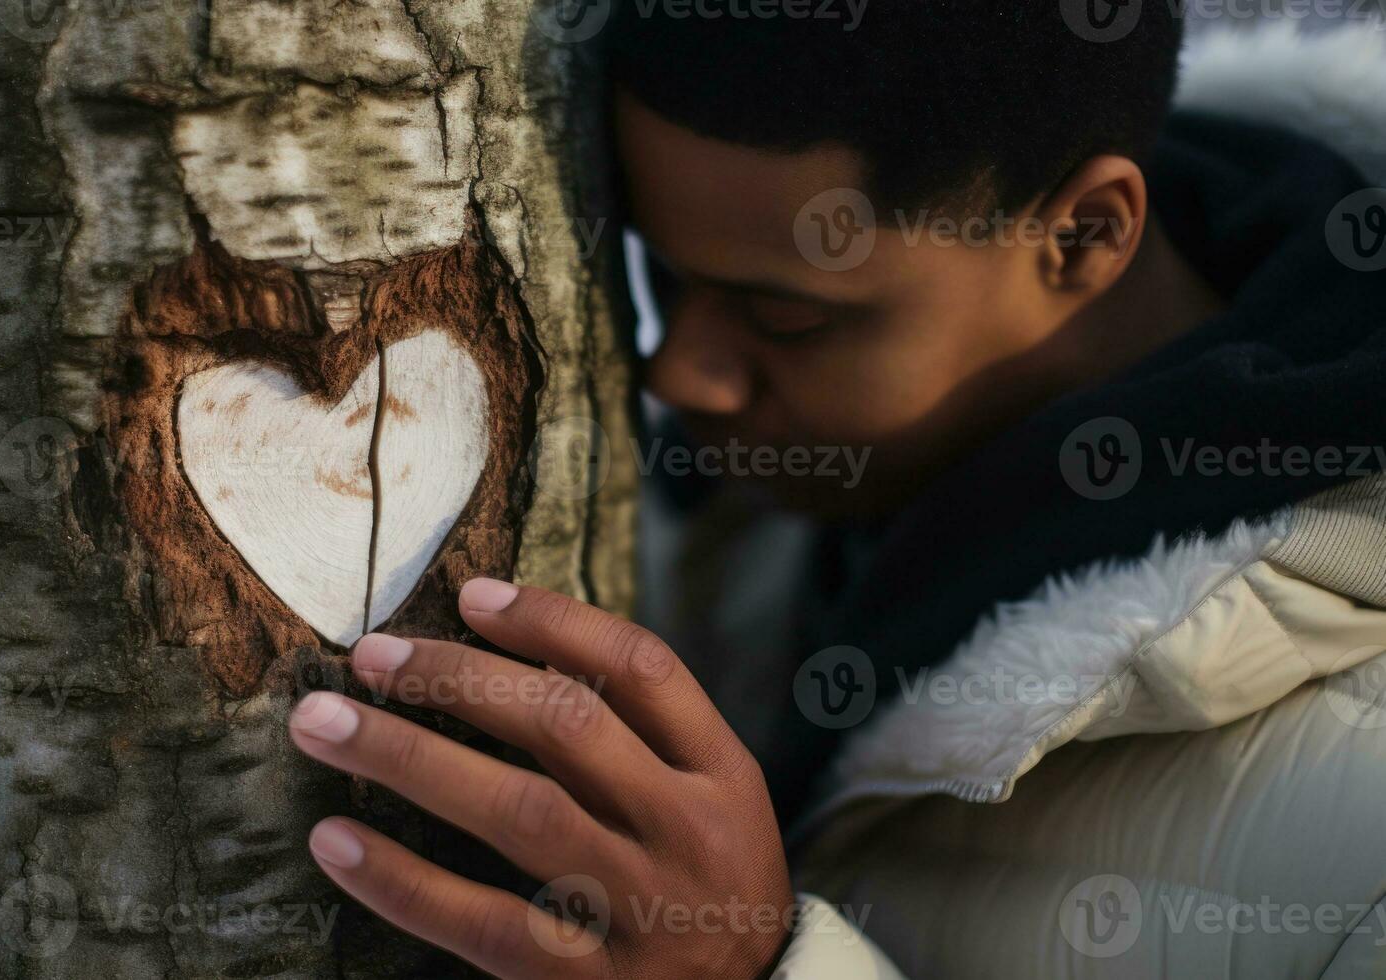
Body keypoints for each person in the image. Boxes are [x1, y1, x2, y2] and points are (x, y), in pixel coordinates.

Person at [287, 6, 1386, 977]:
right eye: (662, 276)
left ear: (1084, 233)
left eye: (790, 319)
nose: (680, 376)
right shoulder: (756, 507)